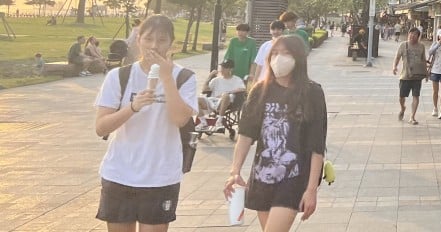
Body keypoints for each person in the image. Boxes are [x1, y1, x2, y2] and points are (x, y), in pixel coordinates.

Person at [94, 14, 199, 231]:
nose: (154, 46)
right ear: (138, 39)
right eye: (148, 39)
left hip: (161, 175)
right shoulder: (119, 76)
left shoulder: (184, 77)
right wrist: (132, 108)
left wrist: (166, 77)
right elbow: (101, 127)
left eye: (162, 40)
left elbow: (180, 120)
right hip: (120, 172)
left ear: (172, 44)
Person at [225, 35, 327, 231]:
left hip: (293, 179)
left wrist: (311, 189)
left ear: (298, 58)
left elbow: (317, 145)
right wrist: (234, 171)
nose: (279, 58)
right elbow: (245, 135)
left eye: (286, 53)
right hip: (262, 177)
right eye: (275, 53)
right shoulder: (260, 91)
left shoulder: (312, 92)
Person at [392, 26, 428, 125]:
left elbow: (423, 60)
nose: (412, 36)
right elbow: (397, 57)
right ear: (408, 35)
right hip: (405, 76)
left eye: (415, 35)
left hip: (417, 76)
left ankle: (412, 117)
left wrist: (426, 73)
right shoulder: (403, 45)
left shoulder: (421, 46)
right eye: (411, 34)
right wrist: (394, 67)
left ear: (418, 36)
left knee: (416, 96)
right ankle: (403, 108)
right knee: (401, 96)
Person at [197, 60, 247, 130]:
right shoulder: (216, 80)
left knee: (226, 95)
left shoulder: (237, 79)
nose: (222, 70)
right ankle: (203, 122)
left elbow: (243, 89)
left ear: (231, 69)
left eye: (224, 68)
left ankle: (219, 121)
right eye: (221, 67)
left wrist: (228, 92)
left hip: (227, 101)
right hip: (213, 101)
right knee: (196, 100)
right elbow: (204, 89)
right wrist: (210, 76)